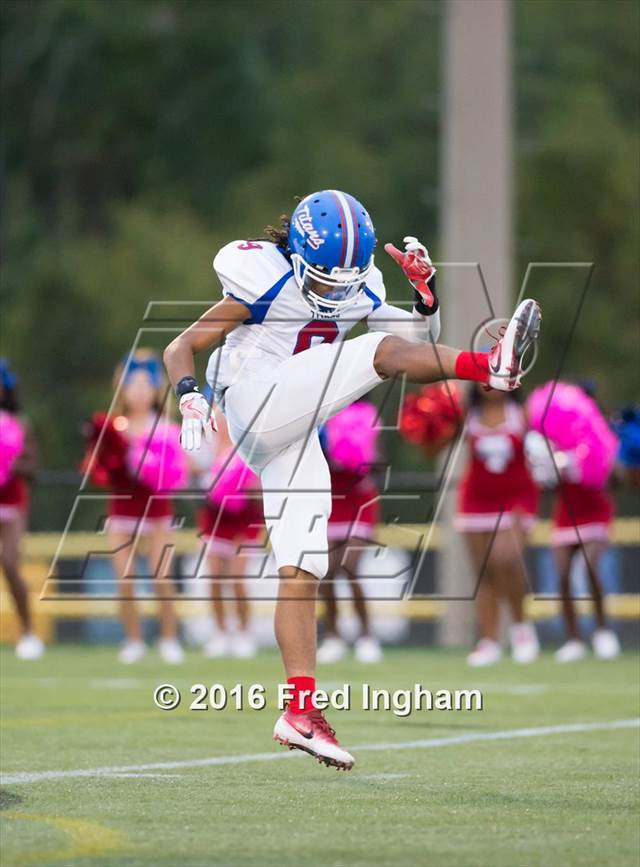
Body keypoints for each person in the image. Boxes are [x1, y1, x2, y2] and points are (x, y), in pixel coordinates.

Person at [164, 190, 542, 770]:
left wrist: (424, 295)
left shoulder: (355, 283)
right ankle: (490, 366)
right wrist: (190, 397)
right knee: (373, 350)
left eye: (344, 280)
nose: (334, 292)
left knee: (303, 566)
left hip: (294, 426)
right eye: (323, 277)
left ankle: (298, 710)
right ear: (297, 251)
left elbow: (413, 342)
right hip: (252, 404)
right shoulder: (263, 276)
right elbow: (181, 344)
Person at [83, 349, 187, 665]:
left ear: (156, 390)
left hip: (157, 512)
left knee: (161, 577)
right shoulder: (113, 427)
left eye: (146, 385)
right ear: (122, 388)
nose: (139, 392)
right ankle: (133, 640)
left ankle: (169, 639)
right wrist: (113, 459)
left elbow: (179, 471)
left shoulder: (167, 427)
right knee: (125, 578)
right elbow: (93, 468)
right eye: (132, 385)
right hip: (122, 511)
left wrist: (154, 465)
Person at [527, 381, 620, 662]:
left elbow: (614, 480)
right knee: (563, 574)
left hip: (595, 510)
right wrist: (551, 470)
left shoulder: (602, 434)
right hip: (567, 512)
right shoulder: (555, 437)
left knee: (590, 568)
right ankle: (574, 639)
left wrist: (587, 468)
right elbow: (546, 487)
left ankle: (603, 631)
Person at [454, 386, 540, 666]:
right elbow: (434, 446)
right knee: (485, 572)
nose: (490, 385)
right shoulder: (467, 415)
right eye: (485, 378)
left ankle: (521, 629)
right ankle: (489, 640)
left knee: (507, 560)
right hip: (476, 500)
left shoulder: (522, 414)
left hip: (515, 499)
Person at [317, 401, 383, 665]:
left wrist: (359, 456)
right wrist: (327, 451)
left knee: (351, 567)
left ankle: (366, 636)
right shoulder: (320, 412)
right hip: (331, 499)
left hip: (359, 499)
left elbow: (377, 459)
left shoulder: (367, 413)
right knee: (327, 572)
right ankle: (333, 636)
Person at [195, 410, 262, 659]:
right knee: (214, 579)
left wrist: (244, 488)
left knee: (237, 578)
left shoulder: (251, 448)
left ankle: (244, 632)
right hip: (215, 520)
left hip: (245, 520)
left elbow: (260, 488)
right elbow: (189, 474)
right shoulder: (205, 448)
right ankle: (221, 632)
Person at [0, 359, 44, 660]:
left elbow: (33, 468)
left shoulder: (19, 424)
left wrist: (11, 464)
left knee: (10, 563)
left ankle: (27, 631)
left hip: (12, 505)